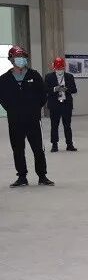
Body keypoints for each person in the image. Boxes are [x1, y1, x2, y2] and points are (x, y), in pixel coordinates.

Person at [0, 46, 53, 187]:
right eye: (18, 57)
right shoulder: (4, 79)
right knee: (18, 149)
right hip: (15, 120)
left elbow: (43, 94)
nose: (21, 60)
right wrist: (13, 110)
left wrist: (34, 108)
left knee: (38, 148)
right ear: (11, 60)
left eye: (23, 57)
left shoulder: (34, 75)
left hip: (33, 119)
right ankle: (22, 177)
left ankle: (42, 176)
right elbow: (2, 99)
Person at [44, 57, 78, 152]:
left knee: (67, 125)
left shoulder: (69, 76)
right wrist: (55, 89)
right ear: (54, 68)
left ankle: (69, 144)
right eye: (58, 68)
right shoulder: (49, 77)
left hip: (66, 104)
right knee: (54, 126)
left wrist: (66, 89)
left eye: (61, 68)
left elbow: (74, 90)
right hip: (54, 105)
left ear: (64, 68)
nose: (60, 70)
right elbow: (45, 89)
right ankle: (54, 145)